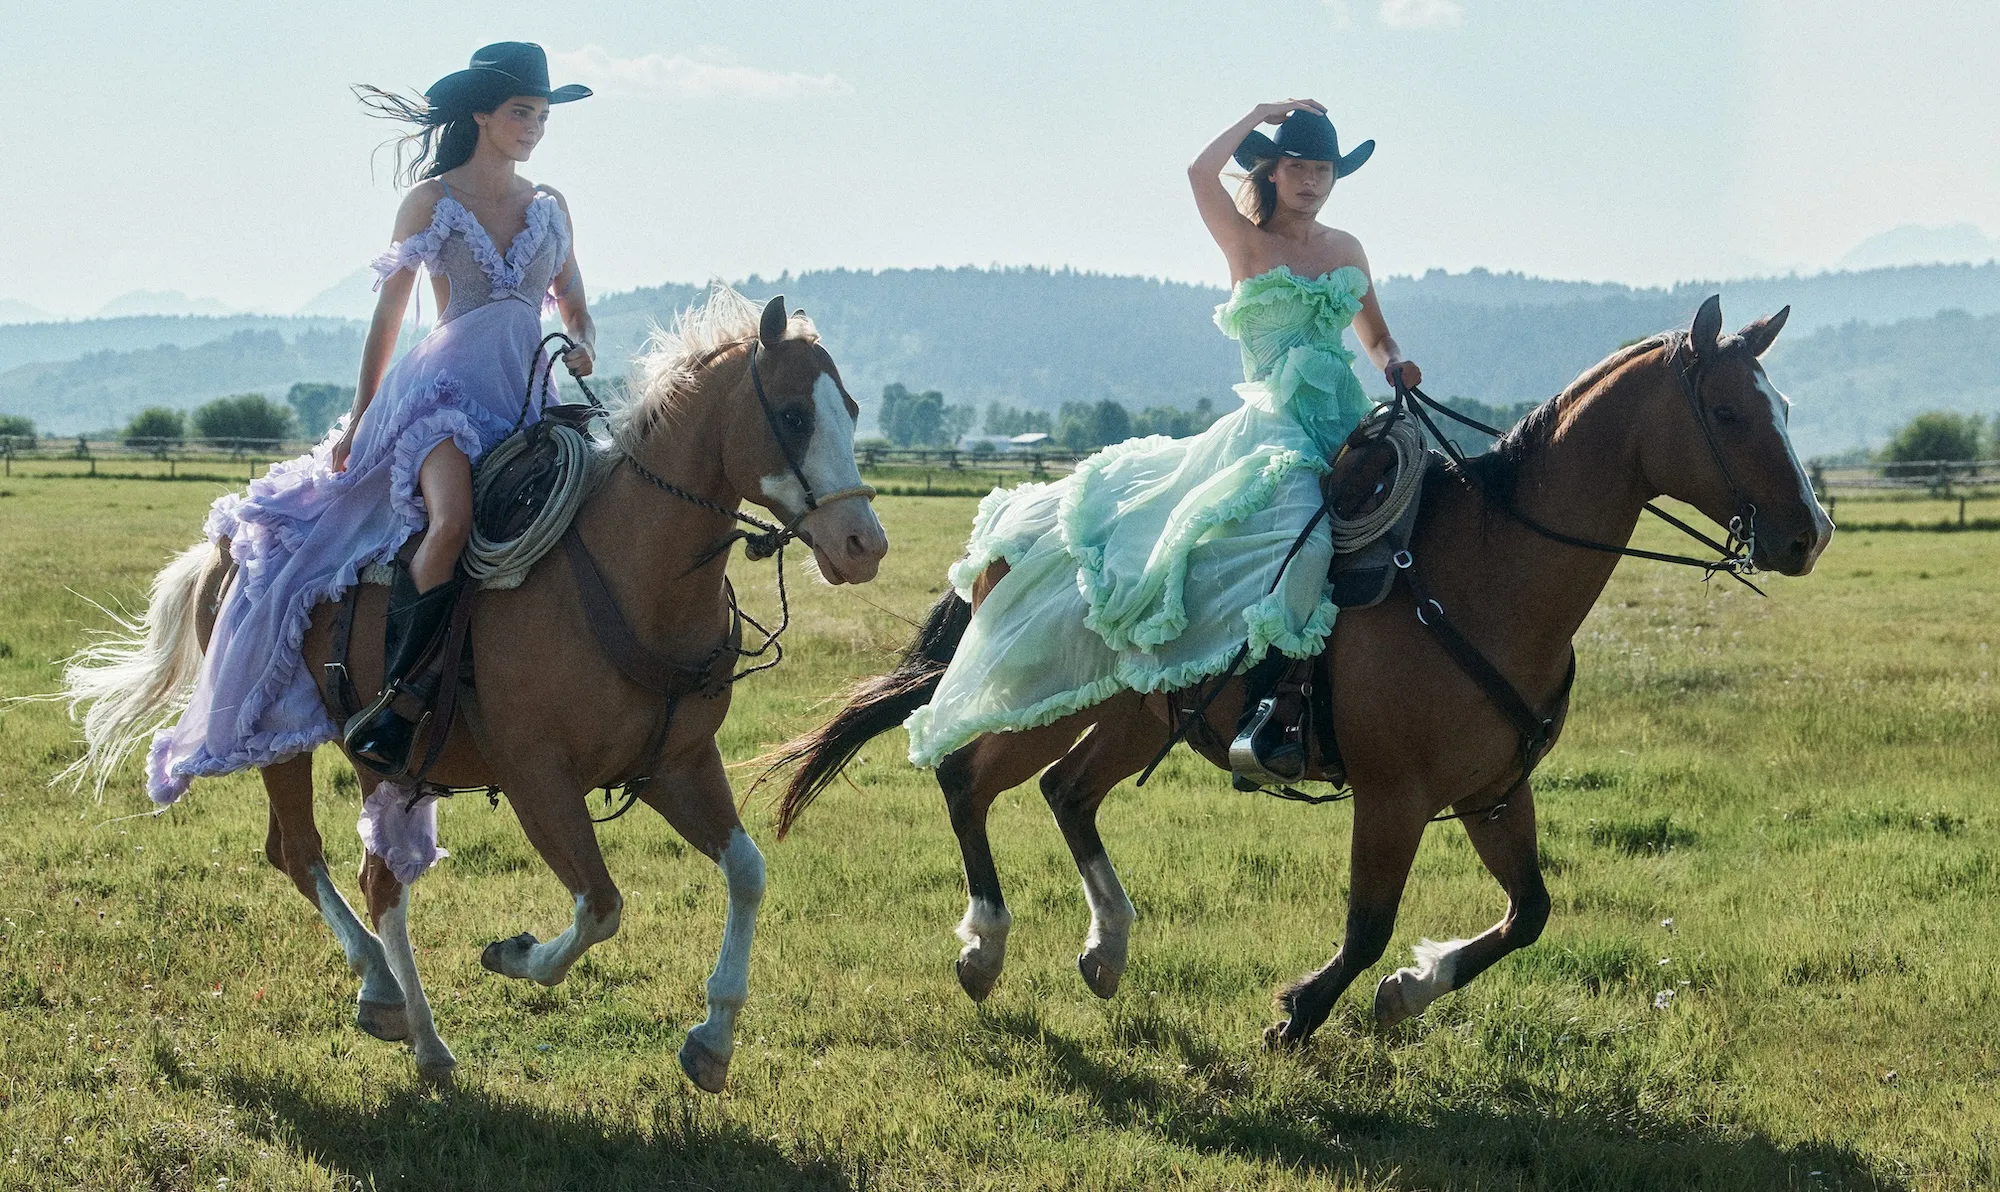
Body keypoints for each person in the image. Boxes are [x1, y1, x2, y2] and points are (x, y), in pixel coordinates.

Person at [901, 101, 1421, 784]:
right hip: (1274, 428)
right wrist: (1261, 113)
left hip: (1346, 418)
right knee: (1302, 538)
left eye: (1324, 169)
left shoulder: (1347, 249)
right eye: (1299, 166)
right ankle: (1276, 710)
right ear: (1272, 169)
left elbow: (1375, 334)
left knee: (1426, 513)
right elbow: (1198, 170)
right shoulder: (1245, 240)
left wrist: (1392, 362)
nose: (1313, 181)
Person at [145, 42, 596, 802]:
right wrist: (361, 415)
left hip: (532, 393)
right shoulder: (432, 200)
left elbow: (576, 307)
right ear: (482, 113)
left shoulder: (551, 205)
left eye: (544, 116)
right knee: (450, 523)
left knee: (600, 513)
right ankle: (400, 701)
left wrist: (582, 347)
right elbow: (388, 316)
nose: (536, 128)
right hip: (444, 396)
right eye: (523, 112)